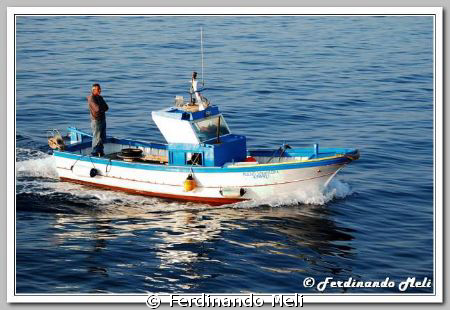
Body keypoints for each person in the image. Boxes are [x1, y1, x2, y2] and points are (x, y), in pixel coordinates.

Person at [87, 83, 109, 156]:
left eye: (100, 89)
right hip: (96, 121)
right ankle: (94, 153)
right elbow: (97, 109)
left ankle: (100, 152)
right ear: (93, 90)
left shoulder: (100, 98)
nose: (100, 90)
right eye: (98, 89)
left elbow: (106, 107)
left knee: (102, 137)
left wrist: (101, 109)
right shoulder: (91, 98)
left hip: (102, 120)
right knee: (96, 138)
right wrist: (102, 109)